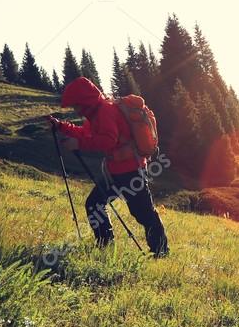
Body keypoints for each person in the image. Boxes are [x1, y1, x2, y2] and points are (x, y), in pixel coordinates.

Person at [47, 77, 169, 256]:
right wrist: (61, 127)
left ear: (85, 102)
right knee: (94, 204)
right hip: (115, 171)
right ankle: (105, 247)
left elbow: (107, 141)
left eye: (76, 105)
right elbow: (85, 133)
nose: (76, 110)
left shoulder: (105, 111)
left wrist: (78, 145)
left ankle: (161, 252)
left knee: (143, 213)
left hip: (130, 171)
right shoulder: (96, 114)